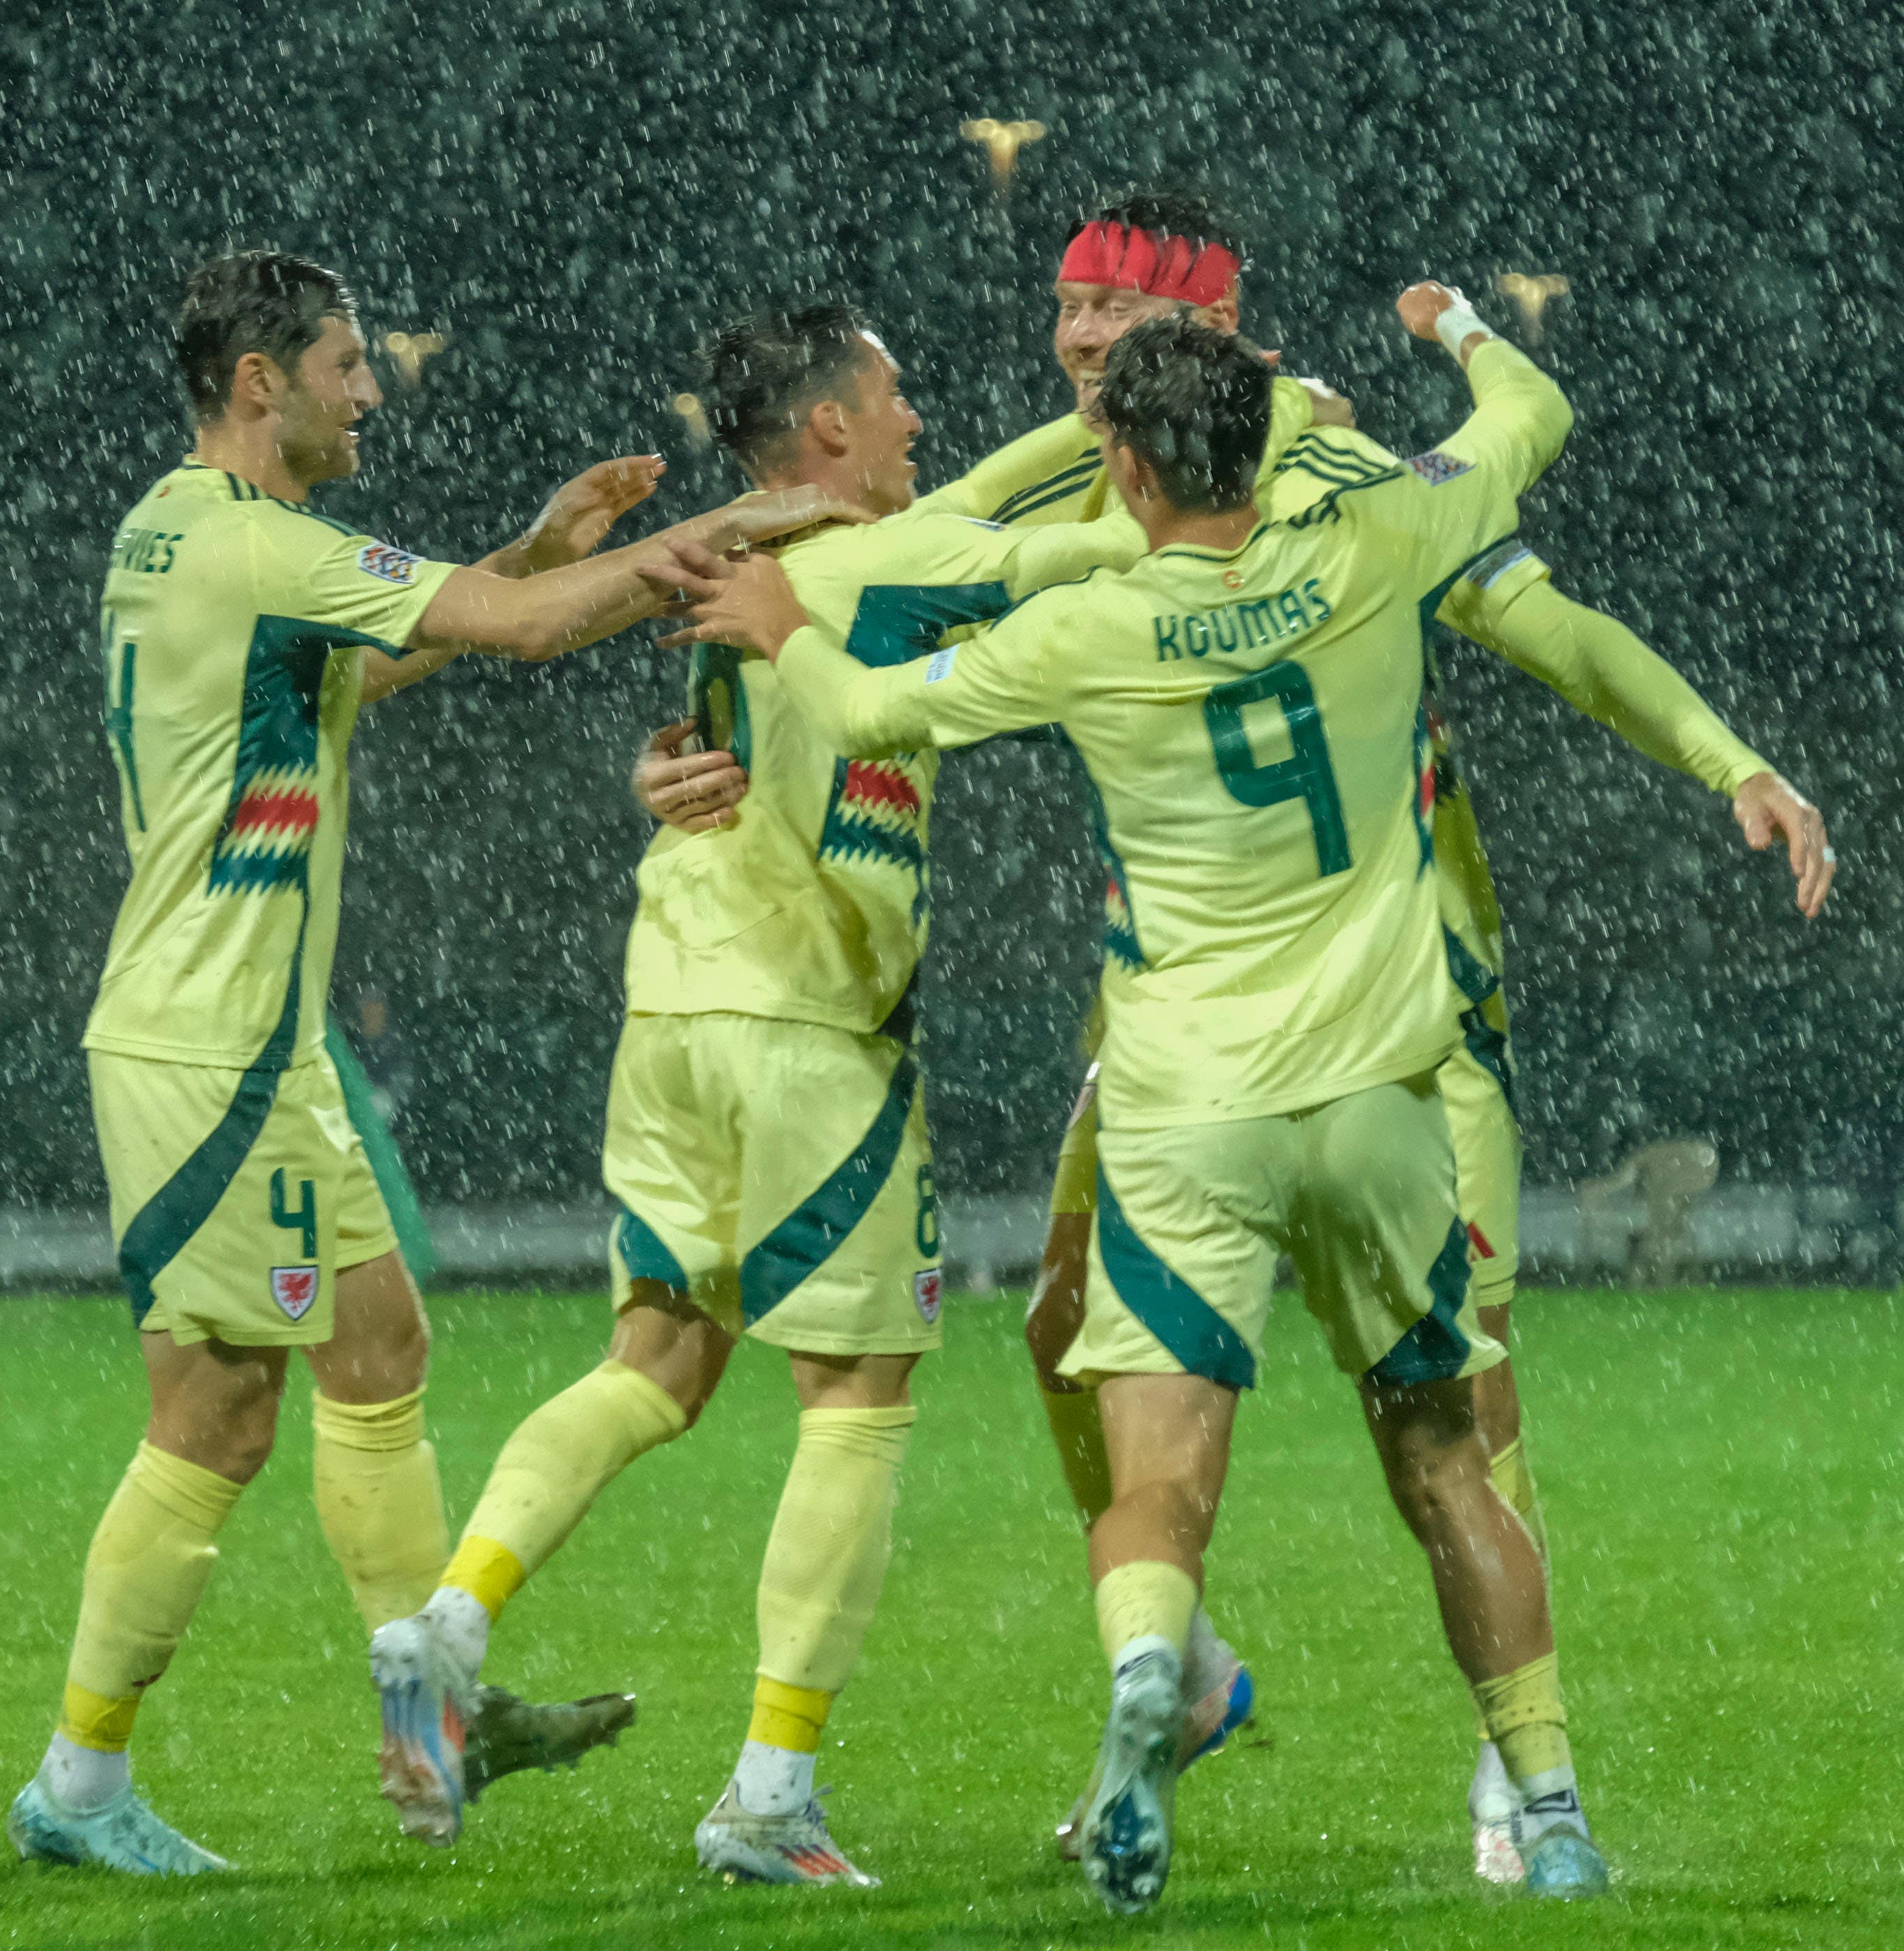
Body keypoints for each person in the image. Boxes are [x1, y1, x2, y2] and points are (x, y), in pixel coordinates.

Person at [641, 188, 1835, 1882]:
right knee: (1077, 1325)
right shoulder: (1123, 470)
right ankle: (1217, 1683)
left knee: (1445, 1405)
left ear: (1210, 347)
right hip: (1210, 1018)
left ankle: (1481, 1766)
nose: (1077, 348)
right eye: (1066, 311)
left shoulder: (1318, 471)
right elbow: (906, 549)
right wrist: (698, 685)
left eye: (1116, 327)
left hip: (1375, 1016)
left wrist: (1732, 761)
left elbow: (1542, 623)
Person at [11, 248, 853, 1876]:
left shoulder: (174, 529)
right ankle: (84, 1781)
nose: (370, 388)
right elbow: (534, 634)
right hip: (212, 1047)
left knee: (379, 1346)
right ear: (261, 384)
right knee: (216, 1419)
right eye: (343, 364)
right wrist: (727, 539)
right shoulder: (262, 538)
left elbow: (371, 652)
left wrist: (535, 551)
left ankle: (432, 1722)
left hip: (260, 1041)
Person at [361, 301, 1146, 1882]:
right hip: (810, 1019)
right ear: (834, 429)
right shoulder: (877, 559)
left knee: (653, 1360)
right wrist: (1164, 434)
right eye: (896, 390)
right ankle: (771, 1791)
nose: (919, 418)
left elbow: (966, 515)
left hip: (670, 998)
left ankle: (448, 1623)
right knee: (855, 1398)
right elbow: (1053, 536)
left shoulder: (734, 566)